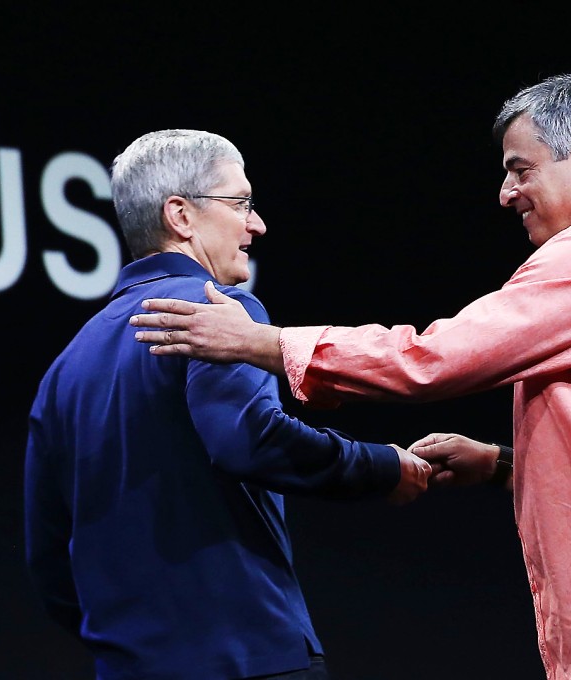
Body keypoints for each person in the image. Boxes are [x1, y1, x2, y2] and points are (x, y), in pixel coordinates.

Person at [128, 73, 571, 679]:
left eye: (521, 170)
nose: (506, 192)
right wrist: (500, 463)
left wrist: (266, 343)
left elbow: (433, 360)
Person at [24, 129, 431, 680]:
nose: (256, 224)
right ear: (181, 216)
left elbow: (49, 558)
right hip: (249, 657)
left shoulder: (65, 367)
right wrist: (382, 467)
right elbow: (252, 439)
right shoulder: (218, 313)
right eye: (240, 203)